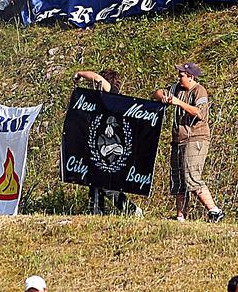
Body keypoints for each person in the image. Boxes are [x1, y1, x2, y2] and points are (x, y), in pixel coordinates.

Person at [153, 63, 224, 222]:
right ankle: (180, 216)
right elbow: (156, 93)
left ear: (191, 77)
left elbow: (200, 113)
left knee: (191, 176)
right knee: (178, 179)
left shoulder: (199, 91)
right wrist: (162, 97)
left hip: (196, 138)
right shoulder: (176, 88)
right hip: (178, 139)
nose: (179, 78)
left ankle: (214, 210)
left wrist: (178, 103)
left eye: (181, 75)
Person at [74, 68, 140, 217]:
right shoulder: (103, 99)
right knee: (94, 181)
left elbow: (97, 78)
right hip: (100, 143)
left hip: (110, 143)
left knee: (107, 185)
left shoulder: (112, 92)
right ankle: (96, 212)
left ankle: (131, 210)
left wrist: (79, 74)